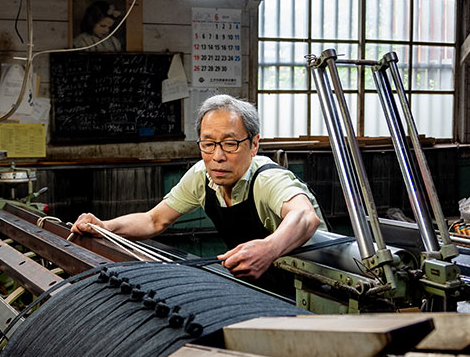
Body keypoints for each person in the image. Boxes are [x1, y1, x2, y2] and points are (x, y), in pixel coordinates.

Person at [74, 95, 323, 281]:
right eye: (208, 144)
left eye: (230, 144)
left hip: (321, 279)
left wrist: (268, 249)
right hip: (265, 278)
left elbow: (304, 216)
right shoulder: (202, 176)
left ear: (254, 144)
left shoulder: (266, 178)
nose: (218, 156)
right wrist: (106, 227)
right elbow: (153, 221)